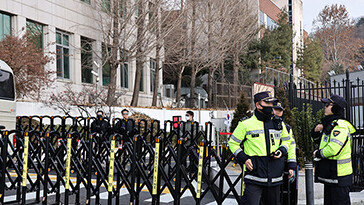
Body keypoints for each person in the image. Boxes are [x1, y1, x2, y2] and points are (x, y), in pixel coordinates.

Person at [228, 91, 291, 205]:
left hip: (275, 177)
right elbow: (232, 143)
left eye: (272, 103)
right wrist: (244, 158)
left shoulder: (278, 123)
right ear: (258, 105)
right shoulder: (245, 124)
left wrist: (282, 150)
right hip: (254, 177)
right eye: (267, 103)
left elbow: (287, 140)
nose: (271, 106)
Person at [312, 94, 356, 205]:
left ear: (335, 108)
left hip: (339, 176)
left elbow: (333, 149)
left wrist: (318, 153)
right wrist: (316, 131)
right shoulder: (330, 124)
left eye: (328, 104)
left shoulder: (340, 126)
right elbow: (320, 142)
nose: (325, 107)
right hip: (331, 175)